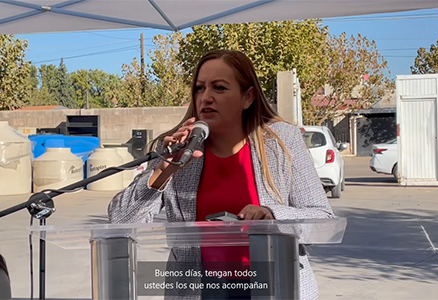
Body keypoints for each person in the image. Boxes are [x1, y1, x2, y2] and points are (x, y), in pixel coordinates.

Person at [108, 49, 334, 300]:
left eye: (219, 88)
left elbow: (321, 222)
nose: (206, 97)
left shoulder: (282, 142)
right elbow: (120, 220)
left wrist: (272, 216)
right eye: (199, 88)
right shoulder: (176, 149)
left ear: (247, 97)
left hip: (274, 287)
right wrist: (163, 170)